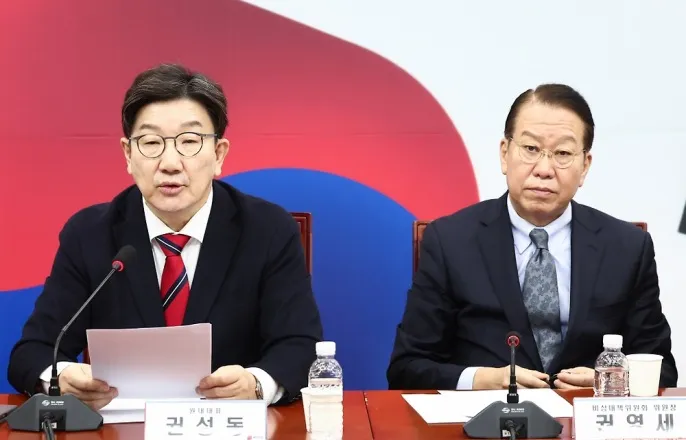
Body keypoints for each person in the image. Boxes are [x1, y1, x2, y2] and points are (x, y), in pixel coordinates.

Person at [7, 63, 323, 409]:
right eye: (151, 142)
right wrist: (63, 377)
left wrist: (256, 385)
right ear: (128, 155)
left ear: (219, 154)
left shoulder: (267, 229)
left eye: (189, 141)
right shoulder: (89, 234)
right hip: (122, 427)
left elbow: (300, 346)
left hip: (231, 425)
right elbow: (33, 352)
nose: (170, 163)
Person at [387, 83, 677, 390]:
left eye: (562, 153)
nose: (544, 169)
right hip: (484, 416)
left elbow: (662, 370)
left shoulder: (626, 248)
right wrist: (482, 379)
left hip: (585, 416)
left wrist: (608, 381)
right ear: (504, 153)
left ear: (585, 166)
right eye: (530, 149)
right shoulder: (450, 241)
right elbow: (407, 368)